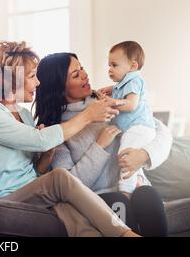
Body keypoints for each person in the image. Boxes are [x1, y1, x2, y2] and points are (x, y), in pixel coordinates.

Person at [0, 41, 139, 237]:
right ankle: (125, 234)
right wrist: (88, 115)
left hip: (31, 193)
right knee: (60, 178)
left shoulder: (24, 115)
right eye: (31, 77)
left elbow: (34, 172)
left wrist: (46, 158)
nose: (37, 83)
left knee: (71, 212)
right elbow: (40, 139)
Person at [34, 52, 172, 236]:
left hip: (135, 188)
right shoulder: (58, 129)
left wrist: (144, 155)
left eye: (81, 68)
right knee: (118, 202)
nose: (85, 74)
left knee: (148, 195)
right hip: (98, 200)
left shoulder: (111, 100)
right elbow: (67, 185)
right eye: (76, 75)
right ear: (60, 88)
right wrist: (98, 147)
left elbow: (161, 132)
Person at [97, 41, 156, 194]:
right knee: (131, 157)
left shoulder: (134, 80)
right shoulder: (126, 82)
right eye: (109, 65)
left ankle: (127, 189)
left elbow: (131, 105)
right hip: (138, 129)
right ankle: (140, 182)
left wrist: (113, 102)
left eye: (114, 65)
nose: (110, 70)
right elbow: (122, 89)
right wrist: (111, 89)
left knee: (125, 155)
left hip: (139, 129)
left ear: (133, 66)